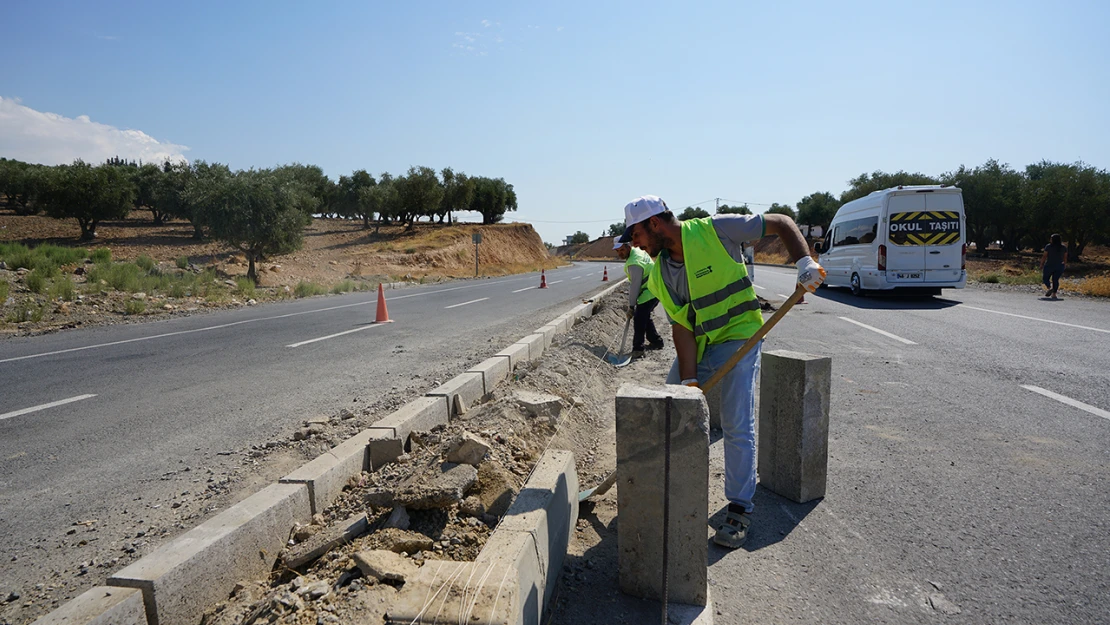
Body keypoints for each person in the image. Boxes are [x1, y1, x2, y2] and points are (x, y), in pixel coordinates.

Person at [618, 195, 825, 549]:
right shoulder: (662, 272)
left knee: (735, 420)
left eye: (635, 233)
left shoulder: (716, 230)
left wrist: (805, 260)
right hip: (702, 343)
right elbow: (681, 327)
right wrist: (689, 381)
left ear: (654, 223)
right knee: (669, 407)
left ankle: (739, 508)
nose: (634, 242)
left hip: (741, 335)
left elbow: (781, 222)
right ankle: (660, 489)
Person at [613, 238, 665, 354]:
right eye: (617, 251)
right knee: (644, 315)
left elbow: (635, 286)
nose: (620, 253)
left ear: (628, 247)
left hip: (650, 290)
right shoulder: (637, 251)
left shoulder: (634, 263)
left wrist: (631, 306)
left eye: (622, 250)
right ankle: (656, 341)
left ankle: (638, 349)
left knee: (639, 319)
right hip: (654, 287)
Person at [1041, 234, 1068, 300]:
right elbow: (1065, 257)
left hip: (1049, 265)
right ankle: (1054, 294)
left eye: (1051, 238)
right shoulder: (1063, 247)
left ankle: (1049, 288)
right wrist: (1064, 264)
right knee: (1055, 280)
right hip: (1059, 266)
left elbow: (1044, 256)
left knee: (1045, 278)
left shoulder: (1048, 246)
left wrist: (1042, 264)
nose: (1050, 239)